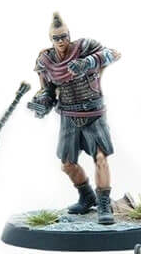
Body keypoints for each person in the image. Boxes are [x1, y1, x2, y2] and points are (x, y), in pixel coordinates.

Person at [29, 12, 121, 223]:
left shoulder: (86, 47)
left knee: (100, 158)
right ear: (51, 39)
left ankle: (104, 203)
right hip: (68, 115)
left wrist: (87, 62)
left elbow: (113, 54)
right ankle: (87, 196)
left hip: (93, 113)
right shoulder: (46, 60)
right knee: (67, 164)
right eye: (56, 38)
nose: (61, 41)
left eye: (64, 36)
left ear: (69, 35)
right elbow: (47, 90)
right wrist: (42, 104)